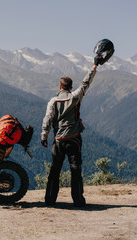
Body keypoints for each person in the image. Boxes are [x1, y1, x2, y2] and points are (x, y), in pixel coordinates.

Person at [40, 62, 100, 207]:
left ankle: (50, 200)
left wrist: (44, 136)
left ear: (60, 87)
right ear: (71, 87)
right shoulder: (75, 97)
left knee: (55, 171)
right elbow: (86, 83)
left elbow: (47, 119)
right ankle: (78, 200)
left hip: (59, 140)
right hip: (74, 139)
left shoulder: (53, 101)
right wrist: (94, 67)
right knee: (76, 170)